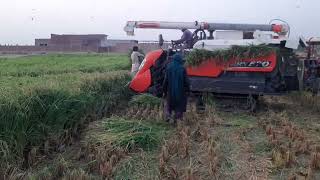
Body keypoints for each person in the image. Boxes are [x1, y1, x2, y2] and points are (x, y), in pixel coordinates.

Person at [163, 53, 190, 125]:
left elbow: (166, 81)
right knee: (179, 106)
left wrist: (164, 91)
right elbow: (186, 81)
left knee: (169, 104)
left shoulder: (169, 67)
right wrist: (188, 90)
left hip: (171, 91)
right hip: (180, 92)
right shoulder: (182, 68)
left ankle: (168, 116)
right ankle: (177, 120)